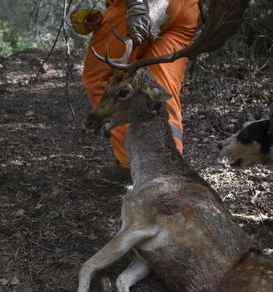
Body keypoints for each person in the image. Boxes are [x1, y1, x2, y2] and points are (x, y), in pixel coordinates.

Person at [80, 0, 199, 181]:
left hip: (144, 4)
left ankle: (130, 162)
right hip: (186, 10)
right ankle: (166, 163)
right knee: (157, 86)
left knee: (101, 77)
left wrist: (135, 5)